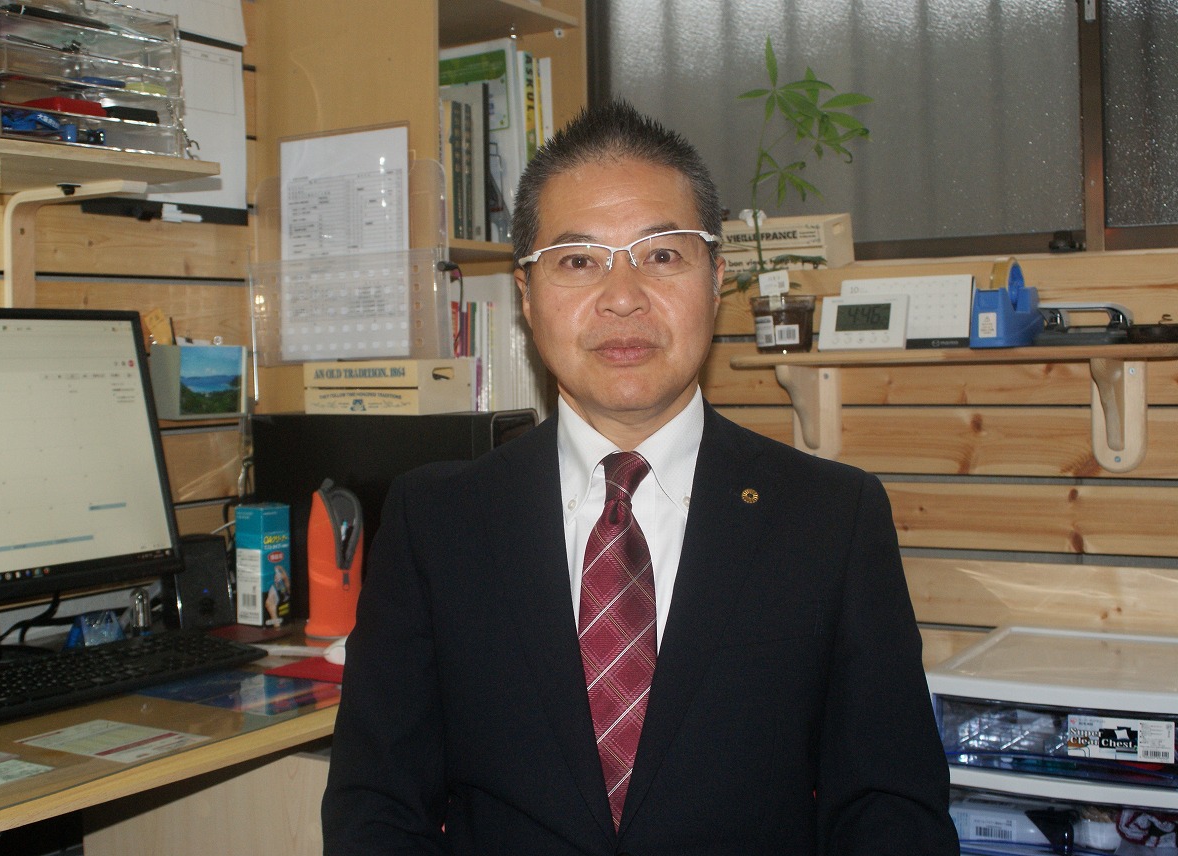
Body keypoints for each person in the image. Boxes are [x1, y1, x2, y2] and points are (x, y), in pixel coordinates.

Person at [321, 99, 959, 855]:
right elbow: (376, 808)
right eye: (578, 261)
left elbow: (891, 811)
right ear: (526, 297)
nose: (622, 297)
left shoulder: (831, 519)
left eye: (661, 256)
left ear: (715, 279)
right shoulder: (438, 521)